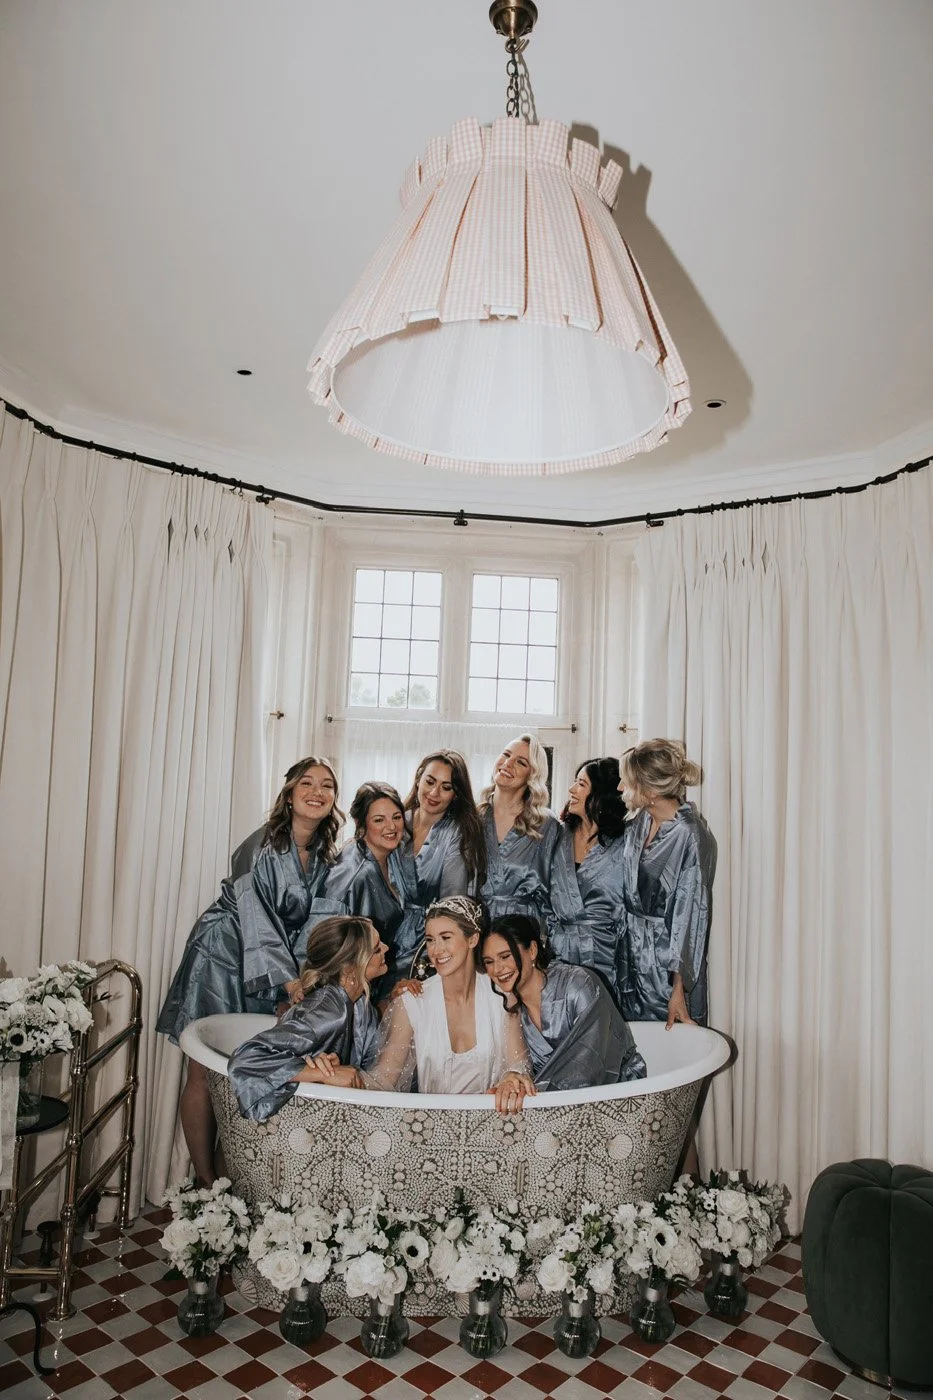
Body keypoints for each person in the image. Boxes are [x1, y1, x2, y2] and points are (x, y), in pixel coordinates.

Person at [157, 756, 342, 1183]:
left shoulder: (326, 856)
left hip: (270, 968)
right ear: (290, 794)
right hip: (222, 953)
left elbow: (316, 926)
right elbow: (255, 916)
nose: (317, 792)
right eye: (307, 784)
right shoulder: (263, 845)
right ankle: (204, 1182)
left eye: (327, 785)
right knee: (205, 1066)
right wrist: (290, 981)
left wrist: (305, 982)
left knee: (246, 1067)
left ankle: (234, 1175)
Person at [363, 896, 532, 1113]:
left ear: (472, 940)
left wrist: (512, 1077)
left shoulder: (501, 996)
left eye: (446, 937)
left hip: (492, 1128)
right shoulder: (412, 1002)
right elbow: (384, 1078)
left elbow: (518, 1064)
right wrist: (337, 1075)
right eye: (431, 940)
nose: (436, 950)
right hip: (430, 1130)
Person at [227, 916, 387, 1122]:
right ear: (350, 969)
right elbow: (245, 1060)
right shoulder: (329, 1014)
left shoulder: (361, 1007)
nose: (387, 948)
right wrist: (324, 1074)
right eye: (376, 949)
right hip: (289, 1125)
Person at [481, 915, 646, 1091]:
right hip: (552, 1104)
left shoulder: (579, 985)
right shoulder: (510, 1008)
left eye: (505, 956)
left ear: (532, 951)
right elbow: (515, 1067)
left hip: (619, 1093)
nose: (497, 969)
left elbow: (591, 1064)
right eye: (489, 962)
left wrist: (539, 1096)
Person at [616, 740, 717, 1028]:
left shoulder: (691, 835)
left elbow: (691, 918)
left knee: (672, 1051)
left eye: (627, 782)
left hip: (668, 968)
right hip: (631, 956)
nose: (620, 788)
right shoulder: (639, 821)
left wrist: (678, 990)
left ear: (649, 792)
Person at [322, 782, 417, 998]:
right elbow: (328, 940)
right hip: (350, 989)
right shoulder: (352, 874)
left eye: (396, 817)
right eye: (379, 820)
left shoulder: (393, 855)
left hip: (377, 976)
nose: (391, 827)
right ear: (361, 824)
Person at [548, 757, 629, 1003]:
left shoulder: (624, 843)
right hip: (559, 954)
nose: (571, 790)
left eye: (581, 784)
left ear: (601, 794)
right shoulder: (557, 836)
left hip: (606, 955)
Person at [400, 750, 487, 977]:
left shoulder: (458, 833)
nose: (434, 792)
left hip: (426, 946)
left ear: (455, 795)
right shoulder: (396, 820)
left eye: (446, 787)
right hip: (380, 939)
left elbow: (452, 903)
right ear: (418, 778)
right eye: (430, 781)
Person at [478, 735, 561, 931]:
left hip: (522, 931)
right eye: (506, 754)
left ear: (532, 775)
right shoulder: (473, 818)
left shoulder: (546, 824)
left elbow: (555, 890)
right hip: (476, 928)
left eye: (520, 762)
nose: (507, 763)